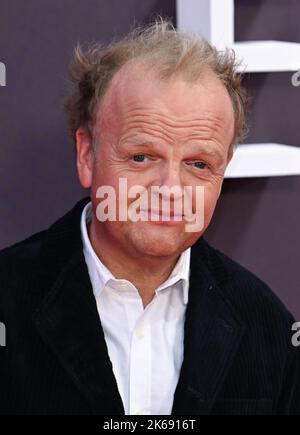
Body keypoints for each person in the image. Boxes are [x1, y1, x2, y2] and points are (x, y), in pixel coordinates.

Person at [0, 19, 299, 415]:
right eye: (142, 157)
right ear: (87, 155)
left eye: (198, 164)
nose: (170, 190)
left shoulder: (269, 327)